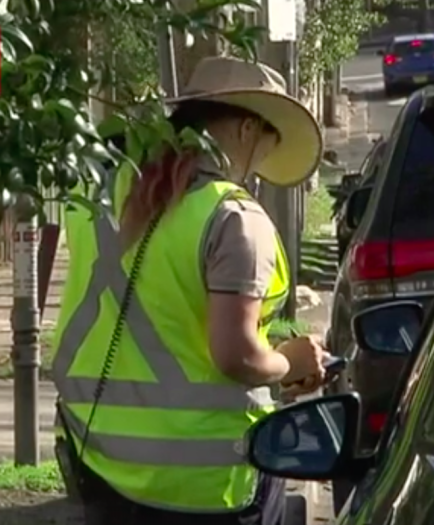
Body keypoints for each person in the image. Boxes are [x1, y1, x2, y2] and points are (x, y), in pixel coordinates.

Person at [50, 56, 331, 525]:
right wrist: (293, 362)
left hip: (96, 463)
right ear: (245, 130)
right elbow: (236, 356)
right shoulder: (234, 220)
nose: (260, 165)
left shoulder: (100, 195)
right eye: (266, 145)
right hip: (209, 487)